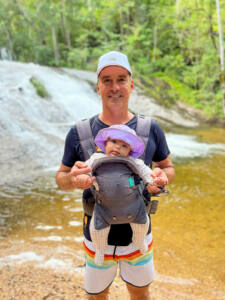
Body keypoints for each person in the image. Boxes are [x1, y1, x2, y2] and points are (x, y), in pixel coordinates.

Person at [56, 51, 175, 300]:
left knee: (140, 294)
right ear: (97, 86)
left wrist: (161, 178)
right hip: (95, 231)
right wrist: (73, 179)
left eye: (121, 79)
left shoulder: (150, 128)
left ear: (131, 85)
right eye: (107, 80)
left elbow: (167, 167)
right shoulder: (79, 132)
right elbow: (61, 178)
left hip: (139, 230)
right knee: (97, 296)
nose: (114, 87)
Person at [79, 124, 165, 266]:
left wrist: (155, 180)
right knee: (96, 229)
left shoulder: (133, 161)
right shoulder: (95, 159)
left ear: (130, 151)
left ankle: (139, 241)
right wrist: (83, 178)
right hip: (104, 207)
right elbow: (85, 170)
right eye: (114, 142)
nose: (118, 147)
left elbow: (145, 172)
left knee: (142, 223)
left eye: (124, 146)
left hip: (132, 205)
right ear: (105, 143)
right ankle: (100, 250)